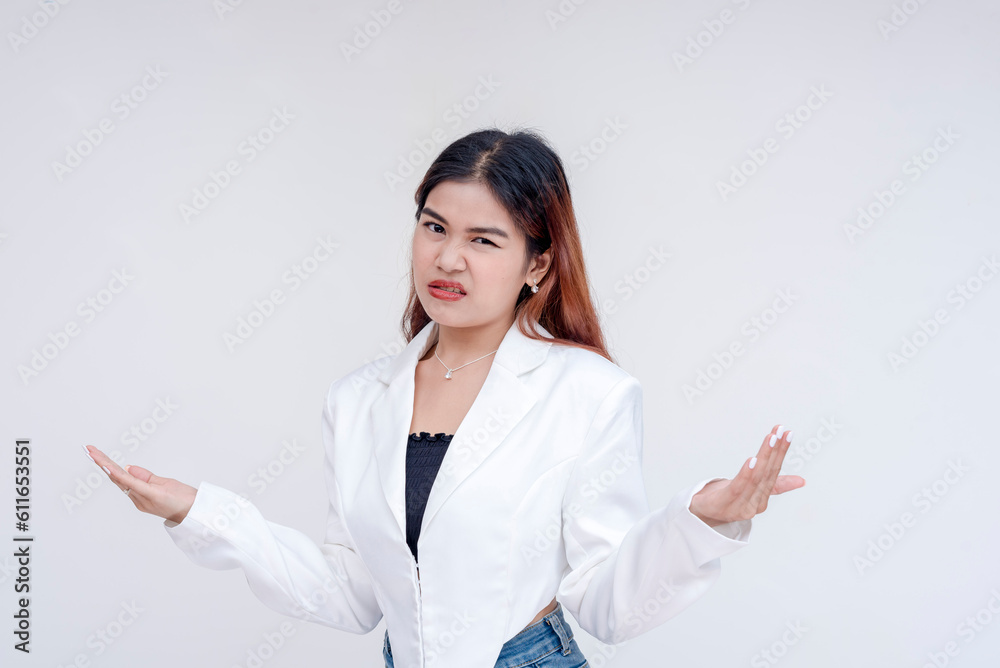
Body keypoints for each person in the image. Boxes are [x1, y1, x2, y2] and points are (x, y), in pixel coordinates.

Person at [83, 127, 805, 668]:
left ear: (538, 263)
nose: (447, 258)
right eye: (434, 227)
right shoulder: (358, 400)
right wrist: (200, 512)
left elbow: (605, 604)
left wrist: (700, 520)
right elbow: (352, 592)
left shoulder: (589, 394)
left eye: (483, 240)